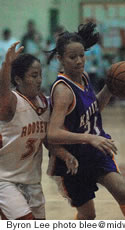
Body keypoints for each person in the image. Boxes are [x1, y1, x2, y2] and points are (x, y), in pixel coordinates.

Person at [46, 22, 125, 220]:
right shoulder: (63, 90)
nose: (79, 61)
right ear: (60, 59)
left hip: (96, 152)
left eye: (82, 55)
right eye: (72, 57)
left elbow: (93, 110)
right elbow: (53, 133)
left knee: (123, 193)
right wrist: (89, 138)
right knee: (87, 215)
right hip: (72, 158)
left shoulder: (83, 77)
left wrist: (108, 89)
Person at [0, 41, 50, 220]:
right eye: (33, 75)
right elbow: (2, 91)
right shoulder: (12, 102)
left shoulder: (46, 104)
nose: (39, 80)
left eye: (40, 75)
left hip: (32, 182)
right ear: (18, 80)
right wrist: (6, 66)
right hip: (5, 181)